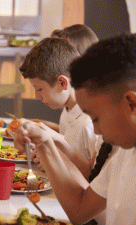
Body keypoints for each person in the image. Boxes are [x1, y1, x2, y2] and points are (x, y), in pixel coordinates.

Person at [15, 33, 136, 225]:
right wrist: (44, 142)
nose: (95, 129)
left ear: (132, 104)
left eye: (96, 118)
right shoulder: (126, 151)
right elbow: (79, 211)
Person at [17, 37, 99, 180]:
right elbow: (70, 143)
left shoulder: (89, 123)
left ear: (62, 83)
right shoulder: (68, 109)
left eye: (39, 89)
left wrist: (54, 161)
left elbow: (94, 177)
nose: (37, 96)